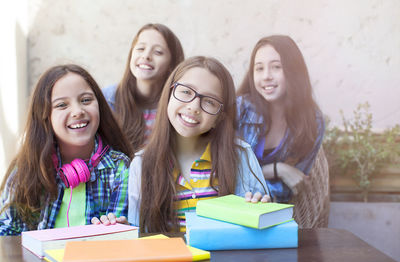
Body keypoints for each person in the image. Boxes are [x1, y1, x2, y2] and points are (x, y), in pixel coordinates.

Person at [93, 56, 270, 233]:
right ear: (169, 94)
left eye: (209, 101)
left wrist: (261, 210)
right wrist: (121, 229)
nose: (194, 107)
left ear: (220, 117)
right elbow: (139, 232)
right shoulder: (142, 164)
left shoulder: (240, 155)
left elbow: (262, 220)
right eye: (186, 92)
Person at [0, 64, 132, 235]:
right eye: (62, 105)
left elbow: (121, 234)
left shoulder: (119, 167)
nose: (77, 111)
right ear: (45, 117)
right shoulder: (25, 169)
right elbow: (6, 235)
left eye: (86, 100)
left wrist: (119, 228)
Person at [237, 35, 325, 203]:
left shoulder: (313, 122)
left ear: (294, 70)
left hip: (274, 209)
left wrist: (264, 192)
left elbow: (296, 183)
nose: (266, 76)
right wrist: (278, 170)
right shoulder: (240, 109)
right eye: (259, 68)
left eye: (276, 67)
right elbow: (226, 172)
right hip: (232, 205)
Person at [102, 23, 184, 151]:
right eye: (140, 48)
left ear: (171, 64)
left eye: (158, 52)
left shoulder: (177, 107)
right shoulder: (107, 99)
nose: (146, 56)